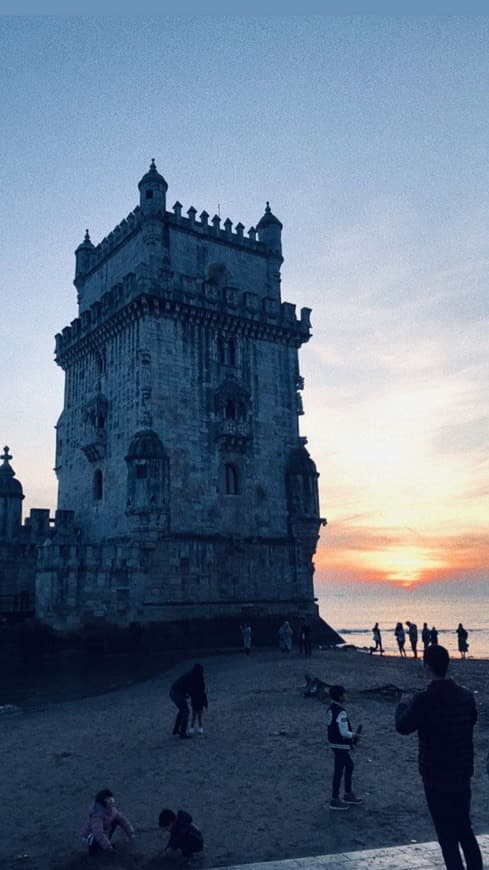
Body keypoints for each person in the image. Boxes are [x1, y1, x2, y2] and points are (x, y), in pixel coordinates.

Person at [395, 645, 482, 870]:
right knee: (465, 829)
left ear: (427, 667)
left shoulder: (423, 699)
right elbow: (471, 720)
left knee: (446, 834)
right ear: (447, 664)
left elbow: (402, 727)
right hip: (462, 772)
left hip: (435, 776)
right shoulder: (465, 696)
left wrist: (402, 704)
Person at [326, 684, 362, 810]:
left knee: (347, 766)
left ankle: (346, 794)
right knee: (340, 770)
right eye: (344, 694)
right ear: (340, 696)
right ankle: (336, 798)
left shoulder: (331, 709)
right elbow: (344, 732)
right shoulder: (341, 712)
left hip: (334, 743)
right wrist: (354, 735)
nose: (346, 696)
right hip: (340, 745)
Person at [82, 788, 135, 855]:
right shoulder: (97, 815)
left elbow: (123, 820)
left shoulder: (112, 810)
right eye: (109, 799)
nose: (112, 801)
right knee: (96, 844)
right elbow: (98, 833)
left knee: (116, 819)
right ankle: (94, 851)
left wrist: (131, 833)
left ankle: (104, 843)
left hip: (104, 829)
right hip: (91, 836)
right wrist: (108, 847)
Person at [170, 663, 205, 739]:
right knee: (185, 711)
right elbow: (191, 689)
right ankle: (182, 733)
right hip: (176, 693)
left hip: (175, 692)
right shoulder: (192, 676)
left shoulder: (191, 675)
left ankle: (176, 729)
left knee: (182, 710)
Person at [188, 669, 208, 735]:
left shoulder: (194, 687)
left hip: (196, 703)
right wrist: (206, 705)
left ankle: (193, 729)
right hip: (198, 703)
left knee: (195, 716)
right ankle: (199, 728)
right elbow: (204, 697)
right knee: (198, 717)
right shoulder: (201, 688)